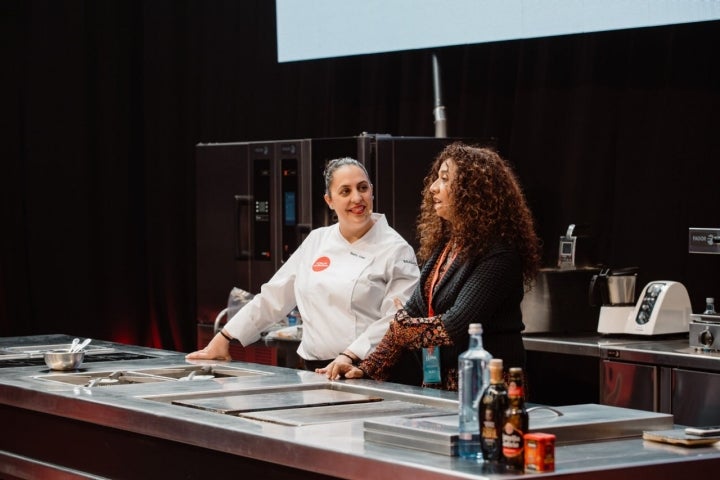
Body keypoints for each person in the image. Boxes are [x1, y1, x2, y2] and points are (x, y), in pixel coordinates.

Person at [318, 143, 541, 390]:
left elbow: (453, 325)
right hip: (442, 381)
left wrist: (401, 329)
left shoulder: (499, 253)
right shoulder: (447, 246)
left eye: (444, 179)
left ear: (472, 191)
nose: (433, 187)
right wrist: (364, 369)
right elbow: (413, 309)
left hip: (490, 385)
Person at [186, 157, 420, 371]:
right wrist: (224, 337)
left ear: (372, 191)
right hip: (314, 369)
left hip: (368, 369)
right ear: (329, 201)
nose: (357, 198)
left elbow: (396, 320)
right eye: (345, 191)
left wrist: (350, 355)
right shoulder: (317, 240)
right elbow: (275, 296)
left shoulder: (396, 249)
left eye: (363, 188)